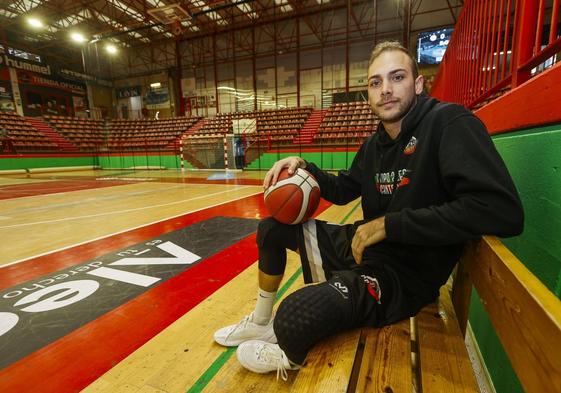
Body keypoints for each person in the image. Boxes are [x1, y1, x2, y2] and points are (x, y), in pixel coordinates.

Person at [213, 41, 524, 380]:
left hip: (403, 277)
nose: (386, 90)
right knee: (272, 229)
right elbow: (343, 188)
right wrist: (303, 165)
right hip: (364, 246)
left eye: (397, 77)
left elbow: (502, 210)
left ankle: (289, 355)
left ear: (418, 85)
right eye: (376, 82)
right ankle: (260, 323)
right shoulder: (374, 145)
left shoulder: (448, 123)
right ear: (368, 94)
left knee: (294, 315)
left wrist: (392, 225)